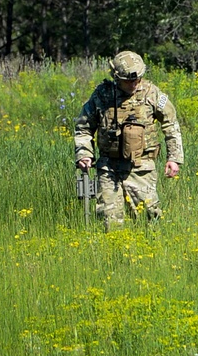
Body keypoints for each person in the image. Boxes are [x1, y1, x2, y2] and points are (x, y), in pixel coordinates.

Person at [74, 51, 184, 230]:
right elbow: (83, 127)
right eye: (128, 80)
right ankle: (113, 255)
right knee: (109, 219)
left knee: (150, 217)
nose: (133, 84)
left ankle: (153, 254)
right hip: (108, 167)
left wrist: (174, 158)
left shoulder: (152, 93)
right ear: (116, 77)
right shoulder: (102, 95)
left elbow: (171, 124)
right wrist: (84, 154)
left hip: (141, 168)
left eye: (137, 79)